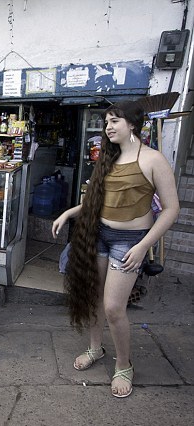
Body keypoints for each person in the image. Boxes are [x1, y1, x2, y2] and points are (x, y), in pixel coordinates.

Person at [51, 101, 179, 398]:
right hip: (98, 235)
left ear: (132, 124)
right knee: (94, 296)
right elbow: (98, 201)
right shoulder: (108, 159)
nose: (108, 126)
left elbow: (172, 209)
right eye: (106, 121)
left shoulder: (153, 159)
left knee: (113, 307)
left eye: (115, 121)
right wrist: (69, 213)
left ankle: (124, 365)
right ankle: (95, 348)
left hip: (130, 241)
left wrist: (144, 246)